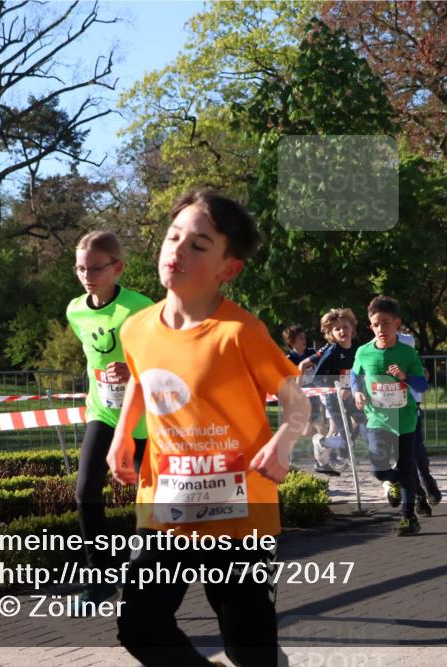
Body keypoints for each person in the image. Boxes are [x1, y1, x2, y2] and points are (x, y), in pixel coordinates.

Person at [106, 190, 309, 666]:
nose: (176, 251)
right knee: (139, 625)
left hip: (237, 514)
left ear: (228, 269)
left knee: (248, 646)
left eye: (198, 245)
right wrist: (121, 435)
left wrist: (284, 441)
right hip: (166, 509)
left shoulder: (239, 332)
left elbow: (297, 401)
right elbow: (141, 378)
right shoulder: (136, 328)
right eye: (173, 237)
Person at [66, 230, 154, 613]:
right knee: (85, 492)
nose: (87, 275)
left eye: (96, 268)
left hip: (146, 421)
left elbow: (165, 359)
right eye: (81, 268)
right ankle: (100, 578)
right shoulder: (75, 310)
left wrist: (133, 366)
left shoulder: (140, 307)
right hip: (102, 414)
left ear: (116, 267)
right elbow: (93, 359)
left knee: (155, 507)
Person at [351, 295, 429, 536]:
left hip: (404, 419)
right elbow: (355, 376)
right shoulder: (363, 352)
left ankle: (408, 517)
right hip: (377, 419)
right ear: (370, 326)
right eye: (376, 324)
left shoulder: (408, 354)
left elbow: (422, 386)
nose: (381, 329)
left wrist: (405, 377)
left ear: (397, 323)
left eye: (386, 323)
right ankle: (395, 480)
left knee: (407, 465)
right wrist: (357, 393)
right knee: (378, 468)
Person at [299, 308, 363, 476]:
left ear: (352, 329)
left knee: (364, 426)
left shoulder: (359, 348)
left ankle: (342, 452)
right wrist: (337, 390)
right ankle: (322, 442)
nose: (342, 331)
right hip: (335, 401)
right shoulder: (331, 353)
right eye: (337, 329)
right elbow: (317, 379)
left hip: (354, 397)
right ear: (331, 334)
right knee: (346, 439)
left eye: (345, 327)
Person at [397, 329, 442, 516]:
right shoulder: (373, 348)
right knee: (404, 458)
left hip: (412, 408)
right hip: (391, 412)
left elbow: (422, 377)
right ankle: (419, 498)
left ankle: (428, 480)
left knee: (417, 453)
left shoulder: (407, 342)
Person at [282, 323, 325, 445]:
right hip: (301, 397)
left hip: (315, 394)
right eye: (300, 338)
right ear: (291, 341)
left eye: (304, 337)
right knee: (306, 431)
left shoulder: (311, 352)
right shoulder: (290, 358)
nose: (304, 340)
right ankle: (320, 446)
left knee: (321, 426)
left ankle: (328, 456)